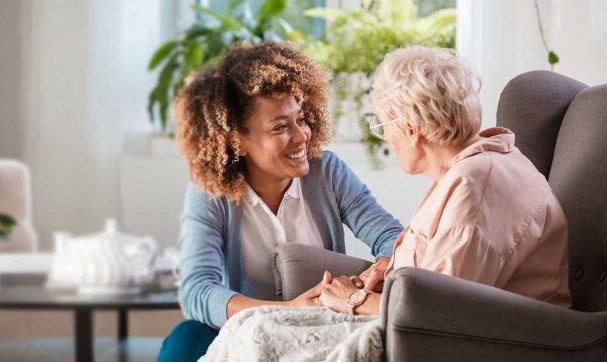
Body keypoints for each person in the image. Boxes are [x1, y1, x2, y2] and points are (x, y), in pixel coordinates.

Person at [156, 41, 404, 362]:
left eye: (301, 119)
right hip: (243, 327)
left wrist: (385, 265)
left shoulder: (327, 172)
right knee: (186, 340)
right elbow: (197, 290)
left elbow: (391, 238)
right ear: (237, 140)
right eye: (281, 127)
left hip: (319, 324)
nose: (302, 136)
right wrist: (285, 310)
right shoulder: (211, 192)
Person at [317, 45, 572, 316]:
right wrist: (392, 270)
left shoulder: (474, 186)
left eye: (382, 126)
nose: (386, 139)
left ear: (410, 130)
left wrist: (355, 300)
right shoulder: (484, 163)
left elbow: (438, 311)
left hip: (505, 342)